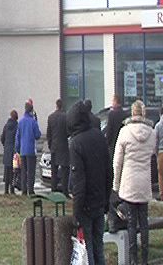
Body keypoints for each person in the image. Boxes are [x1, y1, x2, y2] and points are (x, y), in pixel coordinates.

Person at [112, 100, 156, 265]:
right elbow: (153, 153)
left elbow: (117, 162)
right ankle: (145, 258)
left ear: (132, 113)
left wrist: (115, 185)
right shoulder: (152, 133)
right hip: (144, 182)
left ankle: (133, 259)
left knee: (131, 222)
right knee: (144, 221)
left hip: (129, 182)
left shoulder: (124, 132)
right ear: (143, 113)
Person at [68, 100, 112, 265]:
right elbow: (109, 171)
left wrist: (76, 213)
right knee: (98, 245)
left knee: (87, 250)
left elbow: (79, 182)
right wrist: (106, 200)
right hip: (100, 201)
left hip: (85, 204)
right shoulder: (99, 136)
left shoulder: (76, 143)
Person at [15, 100, 41, 196]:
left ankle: (24, 190)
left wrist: (18, 149)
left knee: (23, 171)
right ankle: (31, 189)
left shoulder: (20, 122)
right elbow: (37, 135)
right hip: (31, 150)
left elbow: (17, 137)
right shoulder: (33, 122)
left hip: (22, 150)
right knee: (31, 171)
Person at [46, 99, 69, 195]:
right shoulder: (66, 117)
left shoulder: (51, 117)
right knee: (64, 170)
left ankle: (53, 189)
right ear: (62, 106)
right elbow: (68, 132)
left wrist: (50, 145)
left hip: (54, 146)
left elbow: (48, 134)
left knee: (54, 170)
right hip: (63, 146)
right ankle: (64, 191)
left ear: (56, 106)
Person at [1, 110, 18, 194]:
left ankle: (5, 189)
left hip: (7, 150)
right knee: (13, 171)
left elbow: (2, 138)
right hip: (14, 151)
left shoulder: (6, 126)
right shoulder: (17, 126)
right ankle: (12, 189)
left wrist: (5, 146)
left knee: (6, 170)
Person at [106, 94, 128, 159]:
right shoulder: (125, 114)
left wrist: (107, 142)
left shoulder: (111, 114)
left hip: (113, 144)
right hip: (123, 143)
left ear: (116, 102)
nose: (112, 103)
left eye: (113, 101)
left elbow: (109, 130)